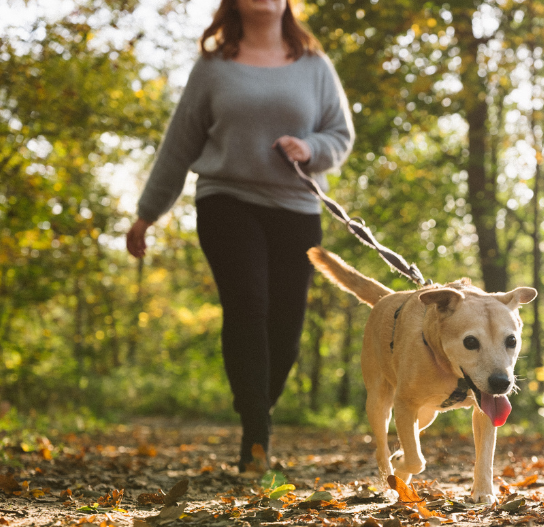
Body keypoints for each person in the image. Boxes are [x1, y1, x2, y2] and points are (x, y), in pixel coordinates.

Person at [125, 0, 354, 469]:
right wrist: (147, 214)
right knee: (248, 306)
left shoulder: (314, 64)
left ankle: (258, 405)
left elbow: (341, 135)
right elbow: (180, 142)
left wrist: (310, 147)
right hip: (226, 202)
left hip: (296, 208)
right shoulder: (213, 67)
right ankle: (256, 431)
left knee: (286, 329)